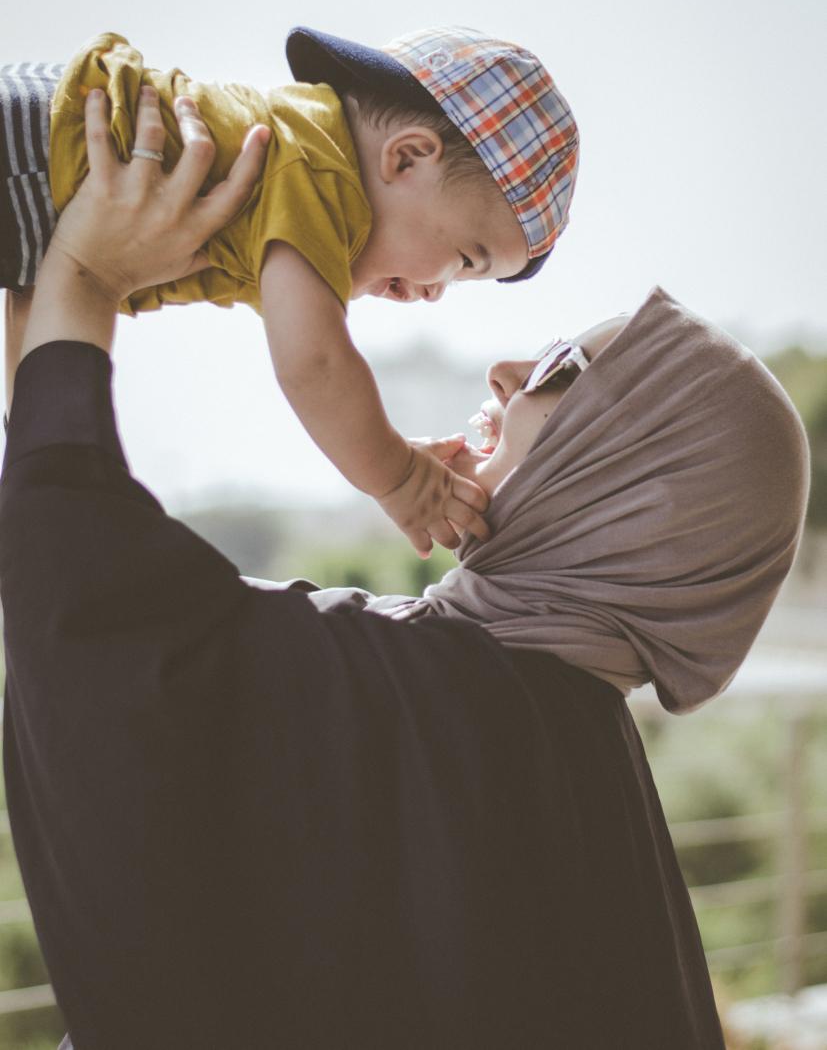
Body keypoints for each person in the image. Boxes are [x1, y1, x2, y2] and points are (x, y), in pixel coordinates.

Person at [0, 94, 809, 1050]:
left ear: (632, 492)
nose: (504, 369)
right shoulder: (567, 746)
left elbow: (100, 611)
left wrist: (82, 275)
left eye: (558, 369)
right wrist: (43, 306)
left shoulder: (441, 703)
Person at [0, 25, 579, 557]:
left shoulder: (298, 171)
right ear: (406, 158)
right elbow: (315, 363)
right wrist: (399, 477)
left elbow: (41, 284)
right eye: (463, 260)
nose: (435, 294)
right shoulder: (320, 176)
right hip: (27, 149)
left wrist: (32, 430)